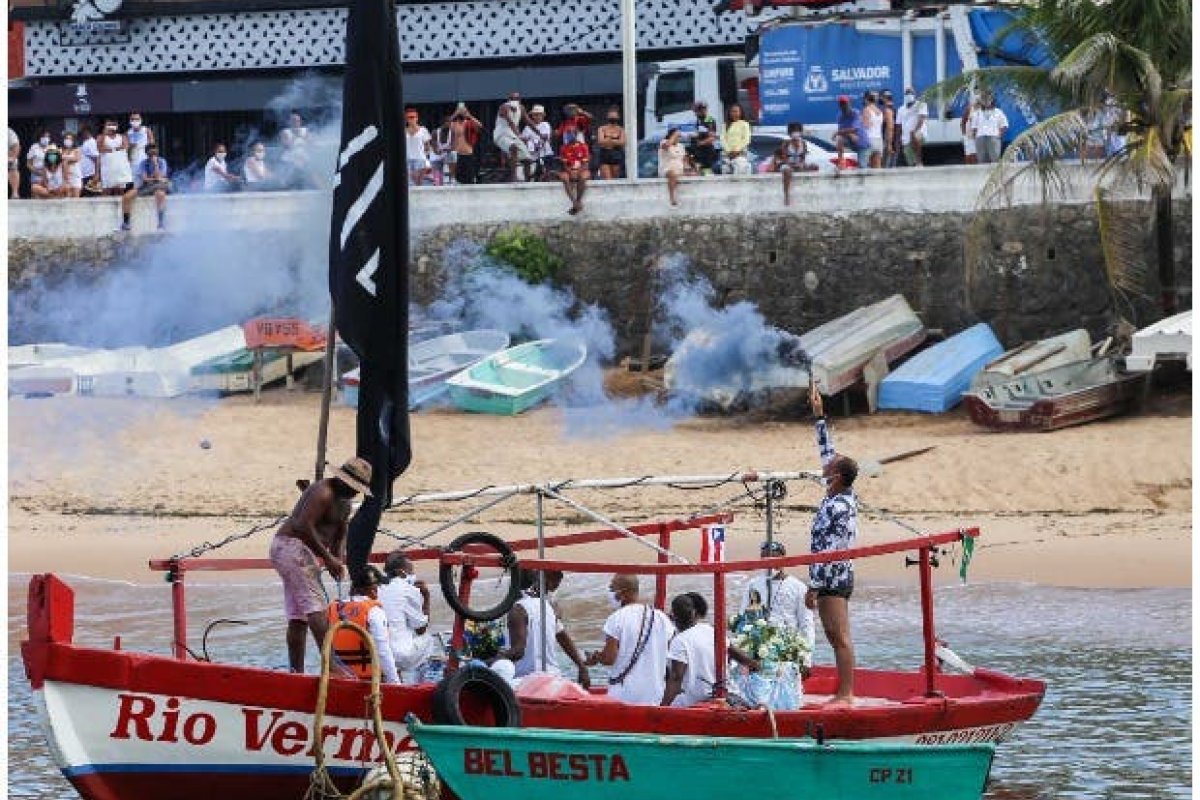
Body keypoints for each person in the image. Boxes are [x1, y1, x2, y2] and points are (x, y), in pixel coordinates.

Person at [270, 456, 370, 674]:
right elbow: (302, 525)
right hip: (291, 547)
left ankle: (296, 671)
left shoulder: (345, 503)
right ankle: (332, 665)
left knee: (298, 616)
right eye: (353, 487)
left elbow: (341, 531)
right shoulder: (322, 492)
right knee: (317, 609)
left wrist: (338, 558)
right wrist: (328, 558)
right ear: (341, 479)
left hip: (302, 553)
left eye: (358, 489)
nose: (354, 492)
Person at [805, 384, 859, 705]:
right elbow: (827, 450)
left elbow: (829, 550)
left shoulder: (840, 506)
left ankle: (846, 693)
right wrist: (819, 416)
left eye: (831, 464)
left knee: (839, 636)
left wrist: (814, 585)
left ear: (836, 476)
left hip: (833, 578)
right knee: (832, 634)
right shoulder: (838, 491)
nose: (826, 463)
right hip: (831, 576)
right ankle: (843, 690)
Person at [584, 574, 673, 705]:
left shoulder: (616, 618)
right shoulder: (661, 617)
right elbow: (669, 653)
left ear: (622, 593)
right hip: (655, 694)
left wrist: (596, 657)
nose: (609, 593)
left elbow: (609, 658)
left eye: (611, 588)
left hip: (624, 694)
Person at [495, 569, 590, 685]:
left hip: (527, 681)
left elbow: (518, 652)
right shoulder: (548, 607)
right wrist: (582, 667)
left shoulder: (518, 610)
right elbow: (563, 639)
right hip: (554, 678)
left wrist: (492, 658)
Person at [741, 540, 816, 668]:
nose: (769, 562)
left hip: (788, 652)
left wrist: (806, 660)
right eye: (765, 557)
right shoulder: (752, 585)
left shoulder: (798, 587)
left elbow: (806, 624)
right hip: (758, 653)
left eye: (774, 557)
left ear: (783, 559)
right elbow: (743, 618)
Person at [327, 566, 400, 684]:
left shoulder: (332, 609)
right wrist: (396, 683)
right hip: (369, 682)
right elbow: (383, 651)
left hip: (338, 680)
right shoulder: (374, 611)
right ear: (373, 590)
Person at [378, 551, 434, 683]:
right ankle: (421, 681)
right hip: (399, 655)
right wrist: (426, 596)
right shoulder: (409, 590)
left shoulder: (377, 587)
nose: (413, 576)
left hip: (378, 653)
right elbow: (421, 629)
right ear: (401, 573)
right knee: (428, 640)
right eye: (410, 572)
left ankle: (396, 676)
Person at [98, 120, 137, 229]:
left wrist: (111, 149)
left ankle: (123, 220)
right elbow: (100, 148)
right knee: (107, 191)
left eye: (113, 125)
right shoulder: (101, 137)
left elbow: (124, 146)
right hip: (108, 169)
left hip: (122, 169)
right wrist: (106, 134)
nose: (112, 127)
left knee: (121, 192)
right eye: (109, 125)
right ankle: (105, 221)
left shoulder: (122, 136)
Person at [771, 122, 816, 206]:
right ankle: (787, 195)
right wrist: (792, 165)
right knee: (787, 170)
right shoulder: (786, 143)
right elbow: (784, 159)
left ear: (801, 132)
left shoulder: (803, 144)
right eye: (793, 131)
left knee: (814, 167)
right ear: (789, 133)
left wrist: (801, 164)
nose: (795, 133)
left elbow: (803, 158)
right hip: (787, 165)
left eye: (797, 131)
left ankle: (811, 192)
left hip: (798, 164)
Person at [493, 92, 534, 182]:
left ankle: (528, 182)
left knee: (527, 159)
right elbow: (510, 122)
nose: (514, 101)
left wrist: (539, 134)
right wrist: (519, 135)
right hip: (501, 135)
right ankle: (513, 177)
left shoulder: (521, 108)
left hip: (513, 135)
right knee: (513, 148)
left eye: (516, 99)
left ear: (519, 100)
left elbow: (528, 121)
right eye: (512, 99)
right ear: (508, 100)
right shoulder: (504, 107)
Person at [135, 143, 171, 230]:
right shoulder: (143, 163)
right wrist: (157, 179)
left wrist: (155, 164)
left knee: (160, 194)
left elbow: (161, 176)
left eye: (154, 150)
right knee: (162, 185)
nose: (153, 153)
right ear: (146, 153)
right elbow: (145, 179)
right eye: (150, 150)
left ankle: (161, 221)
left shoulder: (162, 161)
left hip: (158, 186)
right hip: (148, 187)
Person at [970, 91, 1008, 164]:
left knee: (995, 160)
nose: (986, 101)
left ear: (992, 100)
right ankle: (983, 175)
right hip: (980, 138)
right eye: (984, 99)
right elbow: (974, 128)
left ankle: (996, 175)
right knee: (981, 161)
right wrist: (976, 137)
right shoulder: (977, 113)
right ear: (981, 101)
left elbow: (1004, 125)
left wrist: (999, 135)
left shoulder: (998, 112)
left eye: (988, 99)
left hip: (994, 137)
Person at [558, 127, 590, 215]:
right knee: (564, 177)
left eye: (571, 133)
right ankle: (574, 202)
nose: (569, 135)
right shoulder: (564, 147)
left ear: (576, 134)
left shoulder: (583, 146)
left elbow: (585, 164)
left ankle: (578, 200)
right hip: (569, 170)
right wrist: (570, 172)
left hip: (582, 169)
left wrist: (577, 172)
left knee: (583, 177)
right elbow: (564, 165)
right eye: (567, 133)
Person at [449, 102, 482, 185]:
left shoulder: (468, 122)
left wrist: (469, 115)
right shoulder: (455, 124)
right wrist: (456, 113)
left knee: (469, 177)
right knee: (459, 177)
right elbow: (447, 123)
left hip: (468, 152)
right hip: (458, 153)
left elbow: (480, 125)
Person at [834, 95, 870, 169]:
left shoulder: (855, 113)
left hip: (862, 144)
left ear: (850, 103)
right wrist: (849, 134)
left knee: (862, 167)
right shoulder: (840, 116)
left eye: (845, 103)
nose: (843, 106)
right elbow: (842, 132)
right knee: (840, 139)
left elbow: (855, 129)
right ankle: (841, 162)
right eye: (841, 104)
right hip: (852, 142)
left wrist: (838, 132)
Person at [520, 105, 554, 180]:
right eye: (535, 115)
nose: (537, 116)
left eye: (539, 115)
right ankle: (527, 181)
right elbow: (523, 139)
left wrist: (532, 140)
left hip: (545, 152)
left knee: (546, 172)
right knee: (527, 165)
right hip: (531, 153)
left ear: (543, 116)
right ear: (532, 116)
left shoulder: (546, 124)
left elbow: (545, 137)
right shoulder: (527, 127)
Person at [897, 87, 928, 166]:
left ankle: (919, 161)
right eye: (907, 93)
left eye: (910, 93)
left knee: (915, 137)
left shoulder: (921, 105)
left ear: (914, 94)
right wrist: (898, 139)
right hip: (906, 137)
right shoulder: (901, 109)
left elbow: (921, 119)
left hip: (919, 133)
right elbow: (899, 125)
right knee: (909, 159)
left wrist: (914, 131)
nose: (909, 95)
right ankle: (915, 164)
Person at [279, 110, 310, 188]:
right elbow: (286, 146)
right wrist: (295, 135)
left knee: (304, 166)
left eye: (298, 120)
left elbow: (310, 143)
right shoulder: (285, 132)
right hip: (289, 158)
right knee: (292, 169)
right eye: (294, 120)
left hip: (302, 157)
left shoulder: (305, 130)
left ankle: (303, 184)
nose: (296, 122)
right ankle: (288, 185)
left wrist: (304, 138)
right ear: (290, 122)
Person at [658, 128, 688, 207]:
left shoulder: (681, 146)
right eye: (676, 136)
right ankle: (672, 197)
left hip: (679, 169)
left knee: (693, 174)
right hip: (667, 169)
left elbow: (684, 159)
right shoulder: (664, 142)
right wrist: (674, 135)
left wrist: (688, 168)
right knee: (672, 174)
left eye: (679, 136)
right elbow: (666, 146)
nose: (678, 138)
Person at [404, 108, 433, 186]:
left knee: (418, 183)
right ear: (406, 119)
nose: (411, 119)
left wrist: (426, 159)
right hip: (407, 159)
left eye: (413, 117)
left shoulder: (423, 130)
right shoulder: (403, 131)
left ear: (417, 118)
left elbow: (427, 146)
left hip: (420, 159)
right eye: (409, 117)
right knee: (409, 183)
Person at [595, 107, 626, 180]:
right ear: (607, 117)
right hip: (605, 154)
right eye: (611, 116)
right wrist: (614, 141)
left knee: (615, 179)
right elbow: (600, 141)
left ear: (618, 117)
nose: (613, 118)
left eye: (614, 117)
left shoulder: (621, 129)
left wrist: (608, 139)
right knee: (607, 179)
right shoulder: (602, 128)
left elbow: (622, 142)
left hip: (616, 154)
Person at [722, 103, 752, 175]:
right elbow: (722, 139)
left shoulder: (745, 124)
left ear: (740, 112)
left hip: (740, 154)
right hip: (727, 155)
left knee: (739, 173)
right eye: (732, 111)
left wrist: (736, 150)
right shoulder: (725, 125)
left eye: (736, 111)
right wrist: (729, 151)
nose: (734, 113)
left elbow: (746, 139)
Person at [125, 112, 154, 177]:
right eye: (132, 119)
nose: (135, 121)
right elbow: (126, 149)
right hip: (133, 161)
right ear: (130, 121)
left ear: (141, 120)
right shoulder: (128, 133)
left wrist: (152, 159)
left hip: (145, 158)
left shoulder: (146, 130)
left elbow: (152, 146)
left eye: (137, 119)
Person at [862, 91, 884, 168]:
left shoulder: (866, 110)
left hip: (869, 140)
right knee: (877, 167)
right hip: (879, 140)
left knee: (865, 167)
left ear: (867, 99)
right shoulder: (880, 111)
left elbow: (865, 126)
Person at [880, 90, 900, 168]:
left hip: (889, 141)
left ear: (885, 98)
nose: (880, 99)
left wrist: (889, 144)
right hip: (894, 141)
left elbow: (890, 127)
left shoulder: (887, 110)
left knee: (886, 167)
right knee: (891, 166)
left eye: (881, 97)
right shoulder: (894, 109)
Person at [60, 132, 82, 198]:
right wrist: (67, 159)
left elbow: (77, 158)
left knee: (76, 198)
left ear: (73, 141)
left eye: (70, 139)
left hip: (75, 176)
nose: (68, 140)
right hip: (64, 177)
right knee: (66, 197)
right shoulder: (60, 150)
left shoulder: (77, 150)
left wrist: (65, 160)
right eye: (66, 138)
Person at [960, 96, 978, 165]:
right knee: (969, 153)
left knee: (975, 153)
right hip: (969, 135)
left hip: (978, 135)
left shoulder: (983, 109)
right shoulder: (970, 109)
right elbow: (963, 122)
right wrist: (964, 134)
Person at [8, 127, 20, 198]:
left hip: (6, 156)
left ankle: (14, 193)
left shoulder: (9, 132)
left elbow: (16, 146)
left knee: (13, 164)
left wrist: (12, 158)